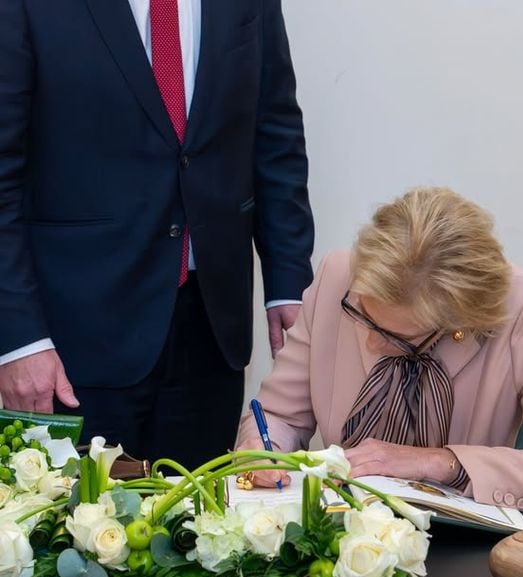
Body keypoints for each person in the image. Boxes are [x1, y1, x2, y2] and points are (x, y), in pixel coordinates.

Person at [0, 1, 314, 468]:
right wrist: (18, 338)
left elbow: (274, 129)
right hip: (72, 342)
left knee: (207, 530)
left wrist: (287, 285)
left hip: (211, 333)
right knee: (78, 534)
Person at [236, 187, 523, 511]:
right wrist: (262, 450)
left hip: (463, 552)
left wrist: (436, 463)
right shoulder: (338, 278)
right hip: (344, 534)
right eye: (363, 315)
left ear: (458, 322)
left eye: (396, 336)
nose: (370, 342)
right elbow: (279, 416)